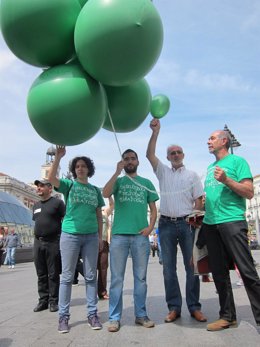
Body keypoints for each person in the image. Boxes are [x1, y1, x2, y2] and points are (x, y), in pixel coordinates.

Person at [146, 118, 206, 323]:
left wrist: (195, 221)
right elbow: (149, 155)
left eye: (179, 152)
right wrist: (155, 133)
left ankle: (194, 307)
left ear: (183, 155)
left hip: (187, 224)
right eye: (172, 153)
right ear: (168, 157)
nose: (176, 155)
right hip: (166, 224)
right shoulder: (162, 171)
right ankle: (174, 307)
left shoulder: (192, 175)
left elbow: (199, 200)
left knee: (192, 267)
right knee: (168, 268)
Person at [203, 129, 260, 331]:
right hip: (211, 224)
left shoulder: (238, 162)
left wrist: (227, 180)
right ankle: (227, 316)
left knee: (247, 272)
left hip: (232, 222)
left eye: (212, 138)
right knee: (218, 273)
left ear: (224, 141)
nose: (208, 141)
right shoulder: (210, 167)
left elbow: (249, 192)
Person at [48, 145, 105, 334]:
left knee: (90, 277)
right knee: (66, 277)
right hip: (70, 235)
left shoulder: (95, 190)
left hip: (90, 237)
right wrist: (58, 157)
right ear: (74, 170)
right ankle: (63, 317)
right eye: (77, 166)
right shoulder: (69, 185)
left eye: (84, 166)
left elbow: (99, 216)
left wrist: (100, 236)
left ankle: (92, 314)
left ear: (89, 169)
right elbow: (51, 179)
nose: (80, 168)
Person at [103, 149, 159, 332]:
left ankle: (141, 315)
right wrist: (116, 172)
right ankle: (114, 318)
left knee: (140, 278)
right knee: (117, 279)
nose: (129, 161)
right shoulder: (118, 182)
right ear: (122, 162)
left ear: (137, 161)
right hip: (119, 235)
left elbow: (153, 208)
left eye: (132, 158)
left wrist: (150, 228)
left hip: (140, 237)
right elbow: (105, 193)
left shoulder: (146, 183)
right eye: (126, 159)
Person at [32, 179, 66, 313]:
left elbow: (66, 219)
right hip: (38, 242)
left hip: (53, 242)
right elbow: (37, 222)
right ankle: (43, 301)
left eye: (41, 186)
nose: (38, 188)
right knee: (41, 273)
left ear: (49, 188)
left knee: (53, 273)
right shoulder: (35, 205)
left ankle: (53, 301)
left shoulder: (58, 203)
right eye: (38, 187)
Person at [97, 197, 114, 300]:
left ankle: (102, 292)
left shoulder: (104, 212)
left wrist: (109, 196)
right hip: (90, 242)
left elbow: (112, 205)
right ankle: (90, 292)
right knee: (90, 269)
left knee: (103, 268)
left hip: (103, 242)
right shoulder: (88, 210)